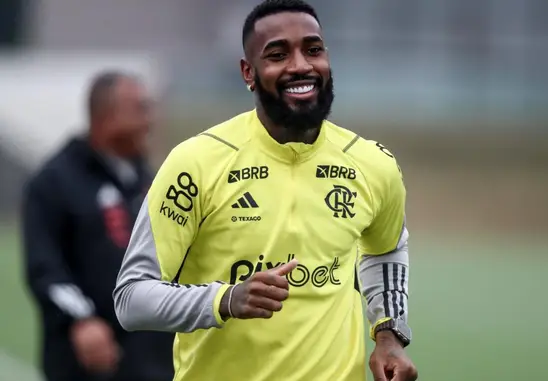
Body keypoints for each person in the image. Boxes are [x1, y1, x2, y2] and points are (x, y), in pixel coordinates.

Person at [113, 0, 418, 380]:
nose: (301, 65)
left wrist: (389, 333)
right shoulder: (195, 163)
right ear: (249, 72)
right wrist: (225, 300)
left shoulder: (373, 164)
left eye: (313, 49)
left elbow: (387, 247)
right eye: (277, 54)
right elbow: (131, 299)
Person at [21, 71, 175, 381]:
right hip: (91, 363)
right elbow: (45, 269)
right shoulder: (54, 182)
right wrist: (82, 319)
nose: (150, 121)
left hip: (154, 360)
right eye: (140, 109)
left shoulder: (149, 180)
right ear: (107, 117)